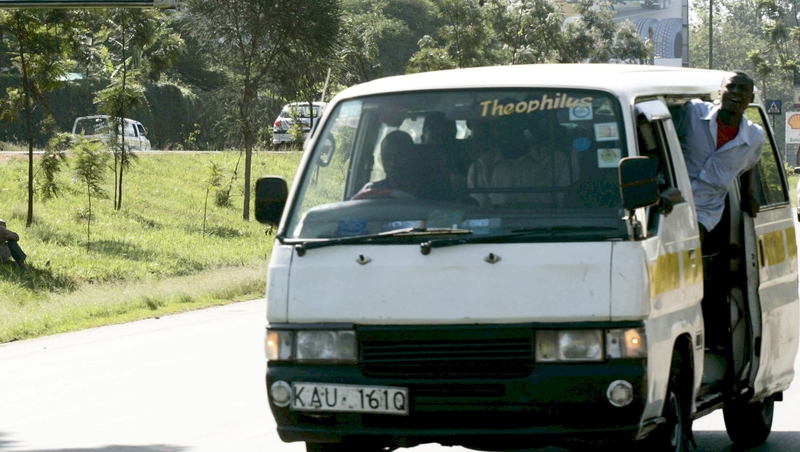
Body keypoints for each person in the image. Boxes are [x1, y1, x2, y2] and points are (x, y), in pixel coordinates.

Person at [672, 70, 764, 243]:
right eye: (731, 86)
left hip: (704, 212)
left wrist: (749, 193)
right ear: (720, 93)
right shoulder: (692, 112)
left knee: (690, 245)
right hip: (670, 201)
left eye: (742, 88)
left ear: (751, 99)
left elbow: (749, 165)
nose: (736, 91)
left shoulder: (755, 138)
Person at [352, 130, 422, 199]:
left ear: (412, 156)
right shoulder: (370, 191)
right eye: (386, 157)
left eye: (399, 156)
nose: (392, 163)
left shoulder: (428, 192)